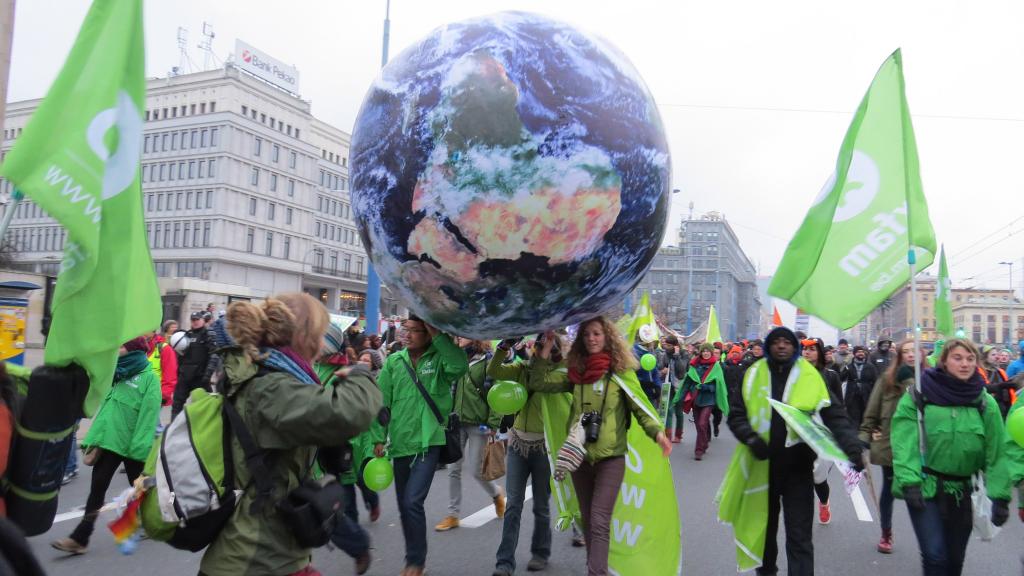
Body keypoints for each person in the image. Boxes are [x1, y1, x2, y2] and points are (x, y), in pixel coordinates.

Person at [197, 294, 382, 576]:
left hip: (266, 551)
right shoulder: (271, 385)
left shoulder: (264, 375)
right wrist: (360, 375)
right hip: (255, 557)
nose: (321, 345)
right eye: (319, 335)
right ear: (303, 336)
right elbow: (348, 413)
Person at [527, 317, 671, 576]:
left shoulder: (621, 374)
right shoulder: (576, 373)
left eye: (597, 334)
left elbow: (640, 409)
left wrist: (657, 433)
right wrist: (544, 352)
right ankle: (595, 567)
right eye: (587, 335)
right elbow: (539, 384)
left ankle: (597, 572)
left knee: (600, 520)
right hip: (579, 457)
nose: (592, 339)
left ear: (607, 338)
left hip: (611, 459)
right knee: (587, 519)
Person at [722, 327, 864, 576]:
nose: (781, 346)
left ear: (794, 347)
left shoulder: (809, 376)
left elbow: (834, 415)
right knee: (765, 535)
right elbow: (736, 416)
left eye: (786, 341)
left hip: (798, 469)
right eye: (775, 341)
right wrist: (751, 439)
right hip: (761, 469)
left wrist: (851, 446)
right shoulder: (752, 374)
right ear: (768, 346)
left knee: (799, 537)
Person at [891, 338, 1010, 576]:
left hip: (963, 491)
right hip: (926, 487)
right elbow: (905, 443)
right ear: (944, 361)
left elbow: (996, 452)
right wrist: (910, 481)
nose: (965, 364)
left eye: (970, 359)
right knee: (935, 556)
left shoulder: (985, 402)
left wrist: (1001, 496)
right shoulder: (919, 396)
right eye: (957, 358)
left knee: (955, 561)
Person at [371, 316, 468, 576]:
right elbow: (382, 403)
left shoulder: (438, 359)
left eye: (416, 331)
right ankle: (412, 559)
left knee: (413, 501)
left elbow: (459, 366)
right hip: (400, 445)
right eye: (406, 330)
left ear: (428, 334)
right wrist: (378, 438)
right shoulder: (394, 361)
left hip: (429, 443)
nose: (408, 335)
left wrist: (439, 336)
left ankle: (416, 562)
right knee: (405, 505)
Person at [51, 337, 162, 555]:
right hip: (110, 443)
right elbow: (106, 411)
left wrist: (139, 450)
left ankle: (152, 519)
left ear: (132, 352)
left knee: (140, 489)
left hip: (132, 447)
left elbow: (148, 419)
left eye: (121, 347)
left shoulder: (149, 379)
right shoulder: (116, 374)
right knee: (97, 489)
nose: (116, 350)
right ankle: (80, 539)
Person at [489, 334, 564, 576]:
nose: (538, 349)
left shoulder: (560, 376)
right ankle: (504, 562)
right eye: (538, 345)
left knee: (541, 506)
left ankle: (540, 552)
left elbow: (541, 382)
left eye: (544, 347)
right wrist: (505, 346)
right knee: (513, 505)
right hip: (518, 446)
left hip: (545, 449)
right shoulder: (521, 367)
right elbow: (494, 371)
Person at [435, 339, 505, 532]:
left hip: (479, 424)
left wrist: (493, 422)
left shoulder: (488, 362)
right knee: (453, 469)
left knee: (476, 470)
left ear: (475, 337)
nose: (457, 339)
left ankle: (496, 494)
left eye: (462, 336)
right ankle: (453, 514)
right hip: (456, 422)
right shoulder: (456, 359)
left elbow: (496, 391)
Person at [859, 338, 918, 554]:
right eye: (907, 351)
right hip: (891, 444)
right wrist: (864, 436)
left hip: (922, 448)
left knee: (920, 492)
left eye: (915, 351)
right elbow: (872, 410)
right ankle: (886, 532)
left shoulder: (931, 379)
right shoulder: (887, 379)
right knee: (890, 490)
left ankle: (927, 536)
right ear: (900, 356)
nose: (911, 355)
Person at [800, 337, 844, 525]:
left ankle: (824, 502)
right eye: (804, 349)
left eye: (812, 349)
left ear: (819, 352)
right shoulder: (795, 374)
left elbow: (838, 405)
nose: (807, 352)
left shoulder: (831, 376)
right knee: (799, 474)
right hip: (800, 430)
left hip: (822, 431)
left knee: (819, 476)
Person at [677, 343, 727, 460]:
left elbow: (718, 386)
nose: (705, 353)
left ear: (711, 352)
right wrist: (680, 397)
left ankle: (698, 450)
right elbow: (688, 382)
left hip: (709, 400)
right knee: (699, 426)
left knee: (702, 423)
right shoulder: (694, 365)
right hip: (696, 399)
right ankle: (704, 443)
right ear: (701, 352)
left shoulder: (716, 366)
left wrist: (706, 387)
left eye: (707, 351)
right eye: (703, 351)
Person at [170, 311, 216, 421]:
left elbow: (215, 355)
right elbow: (180, 356)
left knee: (205, 406)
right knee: (176, 404)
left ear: (203, 320)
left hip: (200, 378)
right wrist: (179, 373)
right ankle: (173, 430)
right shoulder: (186, 335)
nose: (195, 322)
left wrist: (208, 375)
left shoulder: (208, 334)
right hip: (185, 376)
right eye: (193, 320)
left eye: (197, 320)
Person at [839, 345, 877, 428]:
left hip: (866, 396)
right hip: (852, 397)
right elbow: (841, 378)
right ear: (854, 354)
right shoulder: (849, 366)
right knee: (853, 419)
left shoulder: (870, 367)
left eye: (862, 352)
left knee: (865, 417)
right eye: (858, 352)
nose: (861, 353)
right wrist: (845, 369)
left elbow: (875, 381)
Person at [662, 335, 688, 443]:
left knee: (678, 411)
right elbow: (661, 365)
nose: (666, 347)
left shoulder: (684, 354)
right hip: (669, 385)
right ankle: (667, 435)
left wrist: (677, 355)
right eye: (666, 345)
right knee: (668, 411)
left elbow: (682, 369)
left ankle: (678, 435)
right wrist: (662, 370)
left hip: (680, 386)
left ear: (675, 346)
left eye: (669, 345)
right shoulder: (665, 354)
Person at [148, 325, 178, 407]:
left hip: (155, 398)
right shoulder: (136, 347)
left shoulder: (165, 349)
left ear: (152, 332)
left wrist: (163, 397)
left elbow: (170, 376)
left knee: (152, 419)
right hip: (136, 397)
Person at [979, 345, 1013, 419]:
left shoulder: (1000, 371)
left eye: (997, 354)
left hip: (1003, 410)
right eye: (993, 355)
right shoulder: (978, 371)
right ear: (984, 356)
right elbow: (983, 388)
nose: (997, 357)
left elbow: (1008, 392)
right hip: (987, 411)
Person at [633, 332, 663, 408]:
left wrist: (658, 386)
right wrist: (644, 382)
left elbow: (654, 371)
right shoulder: (634, 353)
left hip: (651, 392)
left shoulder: (650, 352)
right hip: (638, 392)